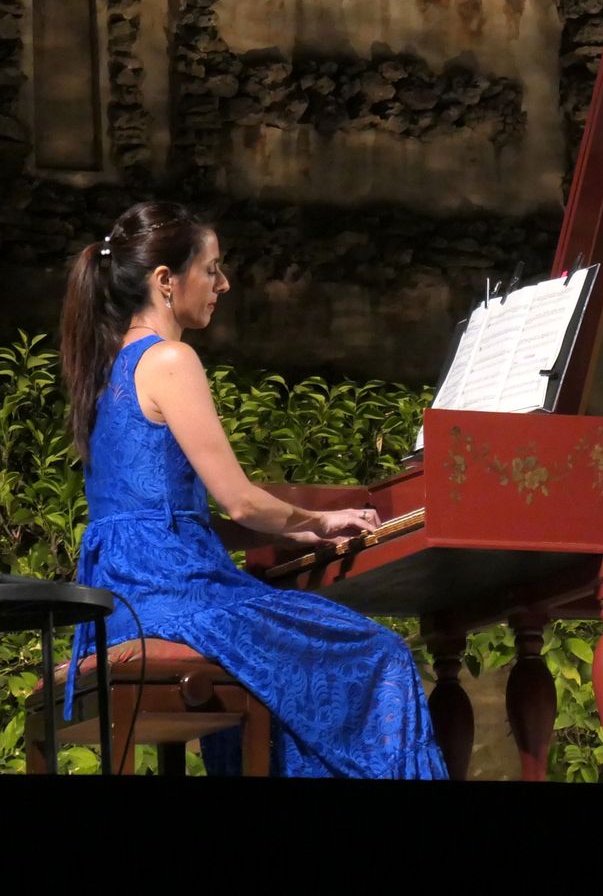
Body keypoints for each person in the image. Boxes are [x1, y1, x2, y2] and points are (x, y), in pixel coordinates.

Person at [59, 200, 447, 778]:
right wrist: (318, 522)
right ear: (166, 281)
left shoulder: (104, 364)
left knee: (280, 673)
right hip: (169, 596)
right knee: (380, 655)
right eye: (211, 269)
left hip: (120, 599)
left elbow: (160, 510)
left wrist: (299, 522)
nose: (224, 283)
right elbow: (238, 500)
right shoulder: (170, 359)